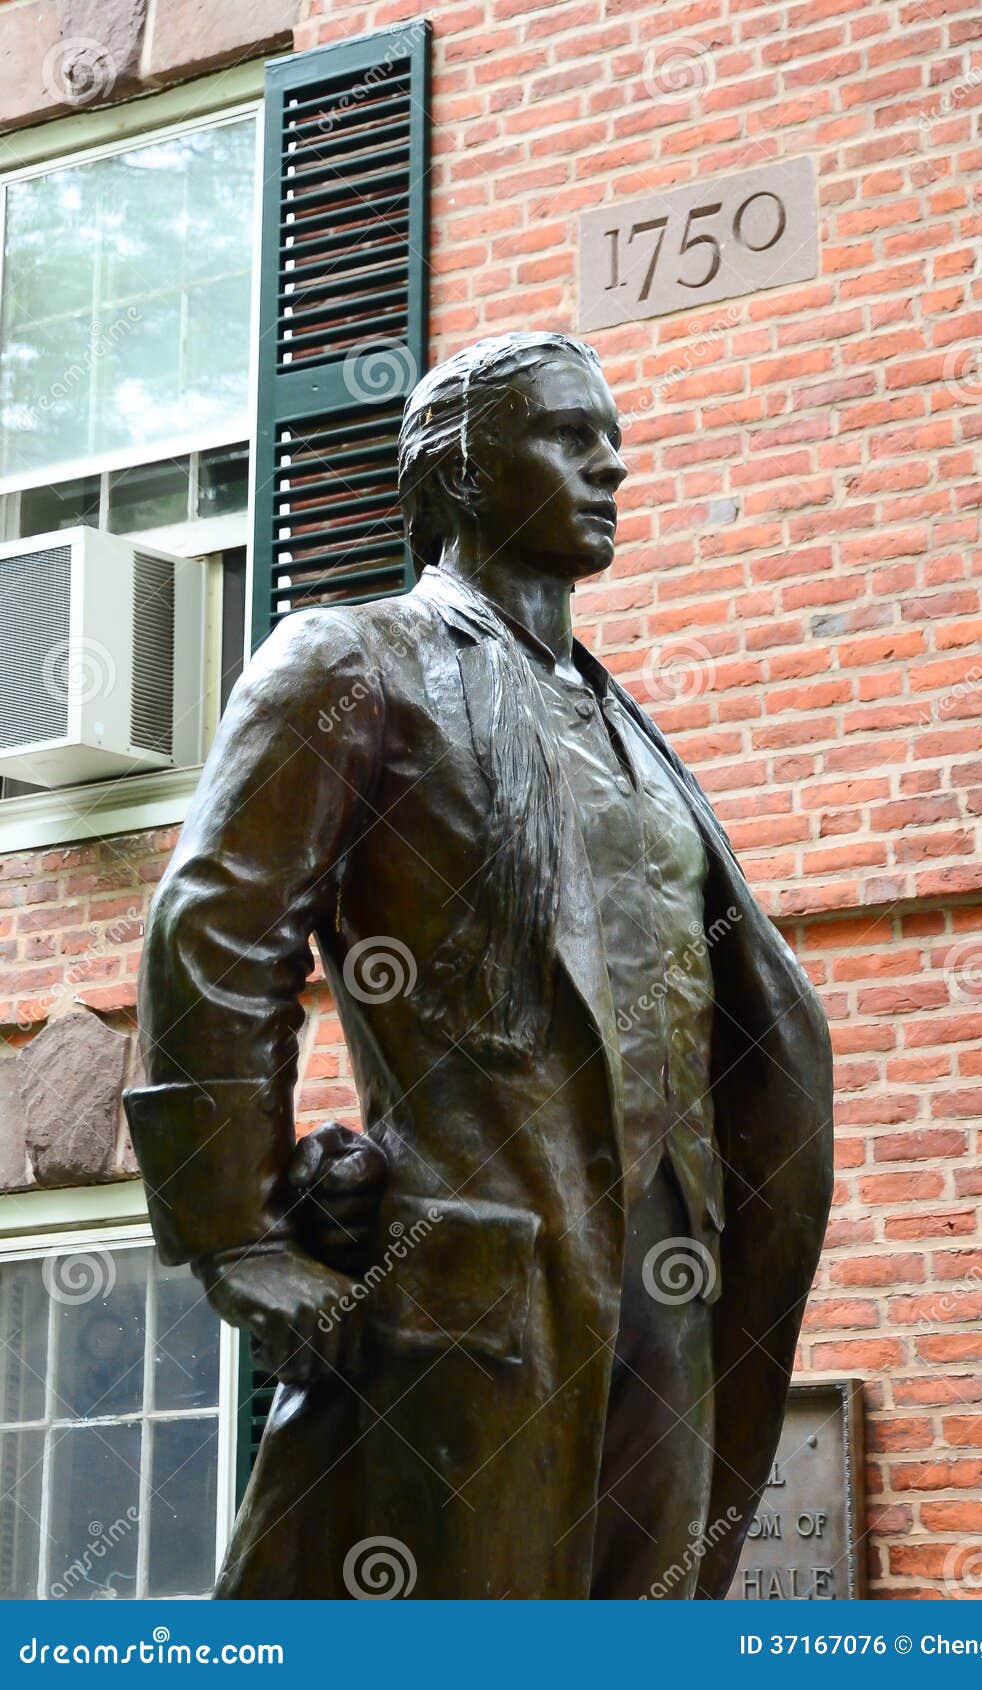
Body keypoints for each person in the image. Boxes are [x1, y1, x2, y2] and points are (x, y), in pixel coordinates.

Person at [125, 331, 832, 1599]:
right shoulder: (354, 664)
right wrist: (237, 1234)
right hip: (480, 1291)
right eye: (567, 436)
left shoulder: (628, 728)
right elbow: (216, 929)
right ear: (455, 469)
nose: (611, 462)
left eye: (610, 436)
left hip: (672, 1286)